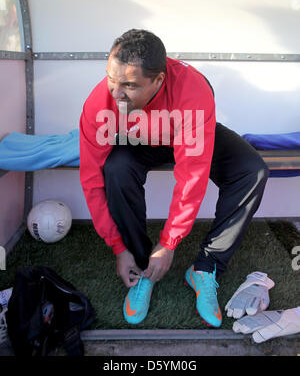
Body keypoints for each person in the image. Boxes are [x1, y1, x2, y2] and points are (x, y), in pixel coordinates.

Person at [79, 29, 269, 328]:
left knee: (251, 170)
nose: (116, 93)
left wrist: (169, 244)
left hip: (187, 130)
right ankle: (141, 264)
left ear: (158, 80)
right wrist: (117, 245)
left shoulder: (192, 91)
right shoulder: (100, 103)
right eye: (111, 79)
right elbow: (92, 181)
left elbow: (191, 177)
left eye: (129, 85)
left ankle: (206, 268)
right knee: (116, 168)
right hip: (139, 138)